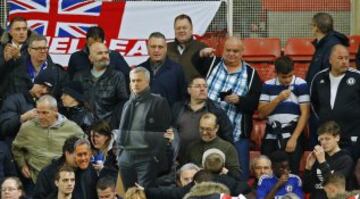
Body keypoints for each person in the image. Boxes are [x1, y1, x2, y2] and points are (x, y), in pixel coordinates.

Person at [193, 36, 262, 180]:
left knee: (238, 176)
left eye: (235, 51)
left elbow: (255, 104)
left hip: (236, 135)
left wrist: (240, 100)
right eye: (228, 50)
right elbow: (195, 61)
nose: (231, 54)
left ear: (242, 52)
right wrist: (201, 53)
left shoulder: (252, 74)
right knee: (201, 173)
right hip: (206, 132)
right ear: (223, 50)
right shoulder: (213, 63)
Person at [117, 67, 172, 190]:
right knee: (129, 194)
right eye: (132, 81)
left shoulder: (158, 102)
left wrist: (155, 157)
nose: (135, 84)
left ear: (147, 82)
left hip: (146, 156)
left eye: (138, 80)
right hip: (126, 156)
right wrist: (120, 154)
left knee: (144, 194)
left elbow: (164, 132)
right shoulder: (128, 103)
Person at [12, 95, 85, 183]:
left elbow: (86, 147)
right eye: (38, 112)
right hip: (37, 180)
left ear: (55, 111)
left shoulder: (72, 128)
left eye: (45, 113)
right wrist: (22, 165)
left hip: (65, 181)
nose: (41, 117)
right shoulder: (28, 127)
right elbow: (16, 148)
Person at [258, 56, 310, 174]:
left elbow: (305, 113)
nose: (287, 80)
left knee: (291, 172)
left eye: (290, 76)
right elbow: (261, 114)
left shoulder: (301, 84)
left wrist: (294, 138)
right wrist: (278, 99)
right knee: (268, 171)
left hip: (293, 132)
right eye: (283, 77)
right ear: (276, 73)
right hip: (272, 133)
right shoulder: (268, 85)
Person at [310, 44, 360, 159]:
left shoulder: (357, 77)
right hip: (327, 138)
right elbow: (314, 104)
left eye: (347, 58)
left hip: (351, 136)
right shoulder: (319, 78)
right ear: (330, 60)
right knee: (327, 172)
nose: (345, 62)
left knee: (348, 172)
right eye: (340, 58)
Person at [172, 76, 233, 164]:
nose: (202, 89)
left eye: (205, 86)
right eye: (198, 86)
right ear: (189, 90)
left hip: (207, 161)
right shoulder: (177, 108)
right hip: (180, 159)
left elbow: (227, 137)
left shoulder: (216, 110)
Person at [73, 42, 128, 125]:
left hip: (107, 129)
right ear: (91, 58)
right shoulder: (79, 77)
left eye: (106, 53)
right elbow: (74, 104)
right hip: (83, 128)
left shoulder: (117, 76)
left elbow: (123, 104)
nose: (104, 56)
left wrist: (113, 125)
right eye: (100, 53)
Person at [1, 34, 68, 100]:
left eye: (45, 48)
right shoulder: (15, 70)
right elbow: (9, 97)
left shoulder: (58, 73)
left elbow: (62, 100)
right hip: (20, 109)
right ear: (29, 51)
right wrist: (30, 94)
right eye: (38, 48)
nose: (42, 51)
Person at [0, 69, 55, 148]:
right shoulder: (14, 100)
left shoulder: (48, 104)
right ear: (34, 83)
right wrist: (23, 117)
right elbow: (3, 127)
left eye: (48, 89)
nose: (44, 91)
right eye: (42, 86)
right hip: (15, 147)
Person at [303, 121, 353, 199]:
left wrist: (322, 162)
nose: (323, 142)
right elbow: (306, 188)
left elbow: (334, 187)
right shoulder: (318, 158)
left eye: (327, 139)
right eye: (321, 139)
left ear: (337, 138)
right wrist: (308, 168)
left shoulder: (346, 160)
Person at [185, 113, 241, 180]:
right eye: (201, 128)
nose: (204, 132)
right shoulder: (192, 146)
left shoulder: (228, 148)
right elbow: (185, 169)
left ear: (216, 128)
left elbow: (236, 175)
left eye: (208, 129)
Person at [137, 32, 187, 106]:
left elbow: (183, 98)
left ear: (166, 48)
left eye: (160, 47)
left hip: (169, 116)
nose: (156, 50)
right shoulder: (139, 70)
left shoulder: (177, 70)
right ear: (148, 48)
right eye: (153, 47)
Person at [0, 16, 36, 104]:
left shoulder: (36, 48)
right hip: (4, 100)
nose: (22, 32)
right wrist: (5, 61)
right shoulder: (1, 49)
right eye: (17, 29)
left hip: (27, 101)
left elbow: (40, 72)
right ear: (10, 32)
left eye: (24, 29)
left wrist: (19, 58)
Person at [305, 12, 349, 85]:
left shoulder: (332, 46)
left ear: (317, 27)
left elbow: (330, 75)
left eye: (312, 25)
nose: (311, 27)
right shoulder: (323, 43)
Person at [167, 14, 207, 80]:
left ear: (191, 30)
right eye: (178, 28)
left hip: (194, 89)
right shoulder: (166, 48)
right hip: (171, 89)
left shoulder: (202, 48)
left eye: (184, 28)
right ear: (174, 30)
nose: (181, 30)